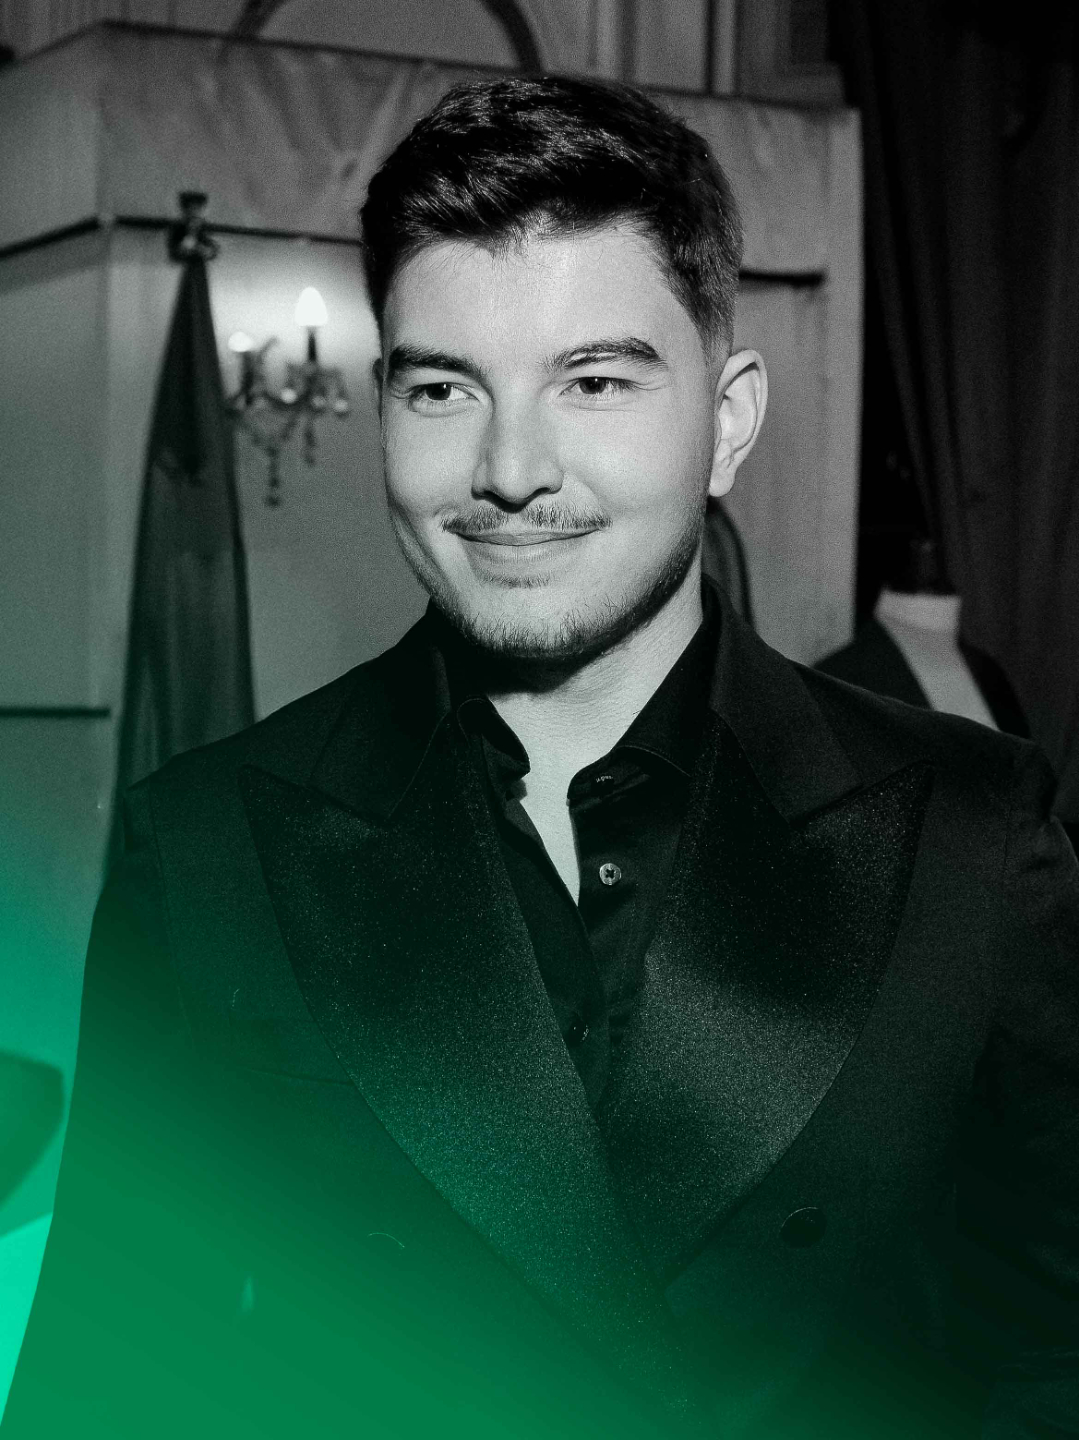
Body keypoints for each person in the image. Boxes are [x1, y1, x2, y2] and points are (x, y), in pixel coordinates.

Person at [5, 75, 1078, 1440]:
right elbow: (110, 1384)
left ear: (729, 420)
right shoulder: (210, 845)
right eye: (443, 387)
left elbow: (1051, 1364)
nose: (510, 469)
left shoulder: (972, 832)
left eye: (594, 381)